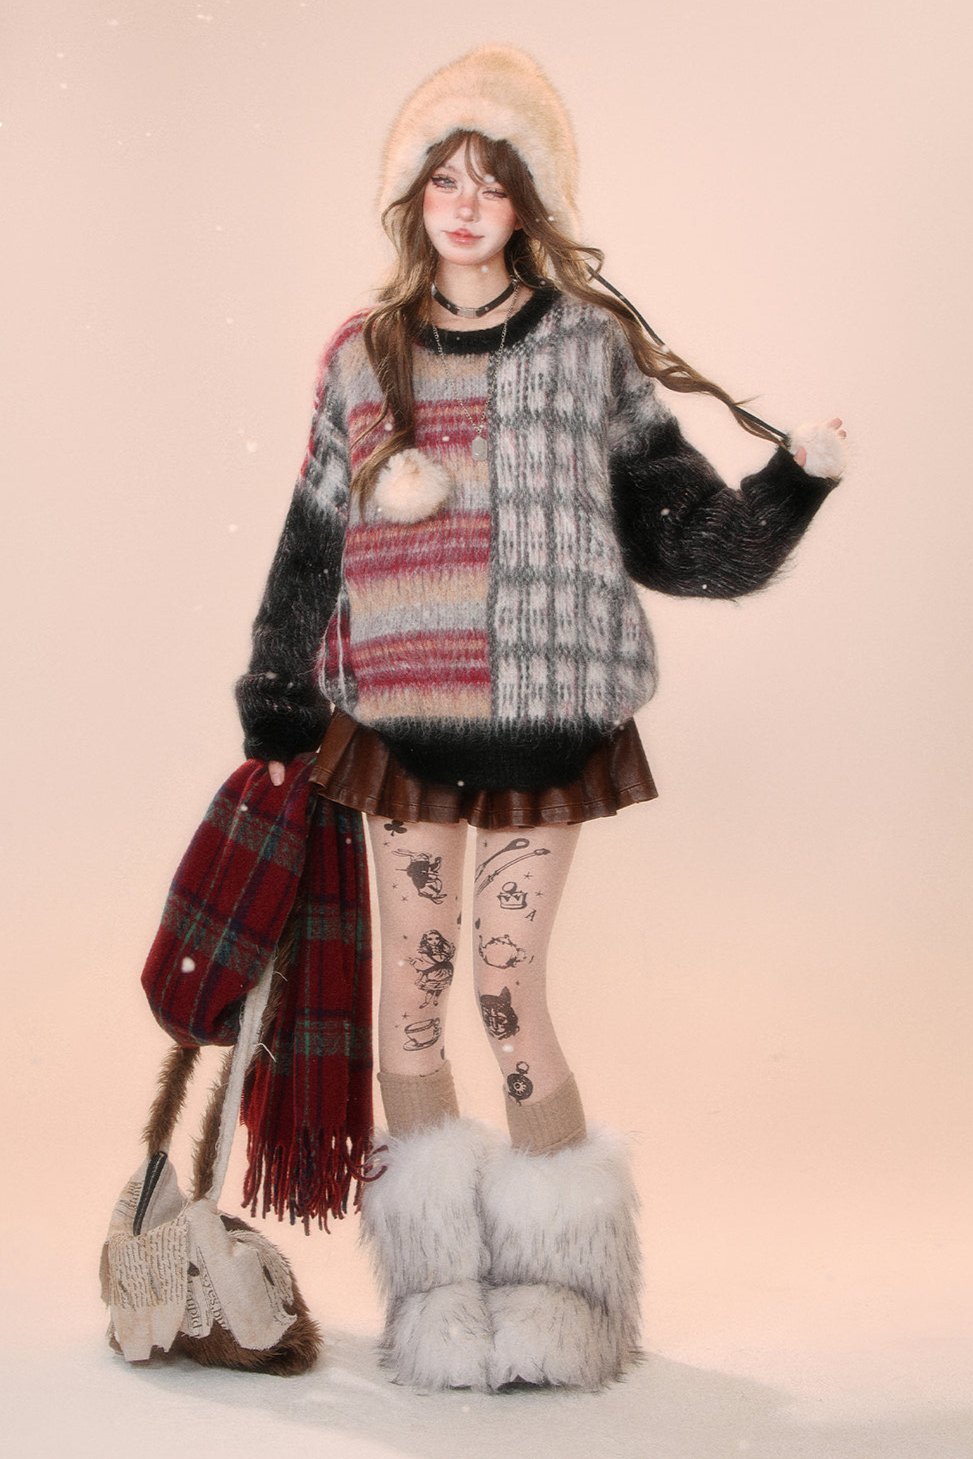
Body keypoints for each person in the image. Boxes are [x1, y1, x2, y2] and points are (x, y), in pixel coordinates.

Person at [234, 45, 847, 1393]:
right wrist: (278, 693)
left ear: (529, 201)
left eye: (492, 182)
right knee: (412, 997)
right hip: (400, 731)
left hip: (543, 734)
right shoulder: (364, 357)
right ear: (413, 196)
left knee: (506, 989)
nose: (465, 206)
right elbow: (314, 537)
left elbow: (680, 537)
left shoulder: (587, 349)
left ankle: (569, 1299)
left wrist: (790, 489)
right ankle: (437, 1302)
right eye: (442, 180)